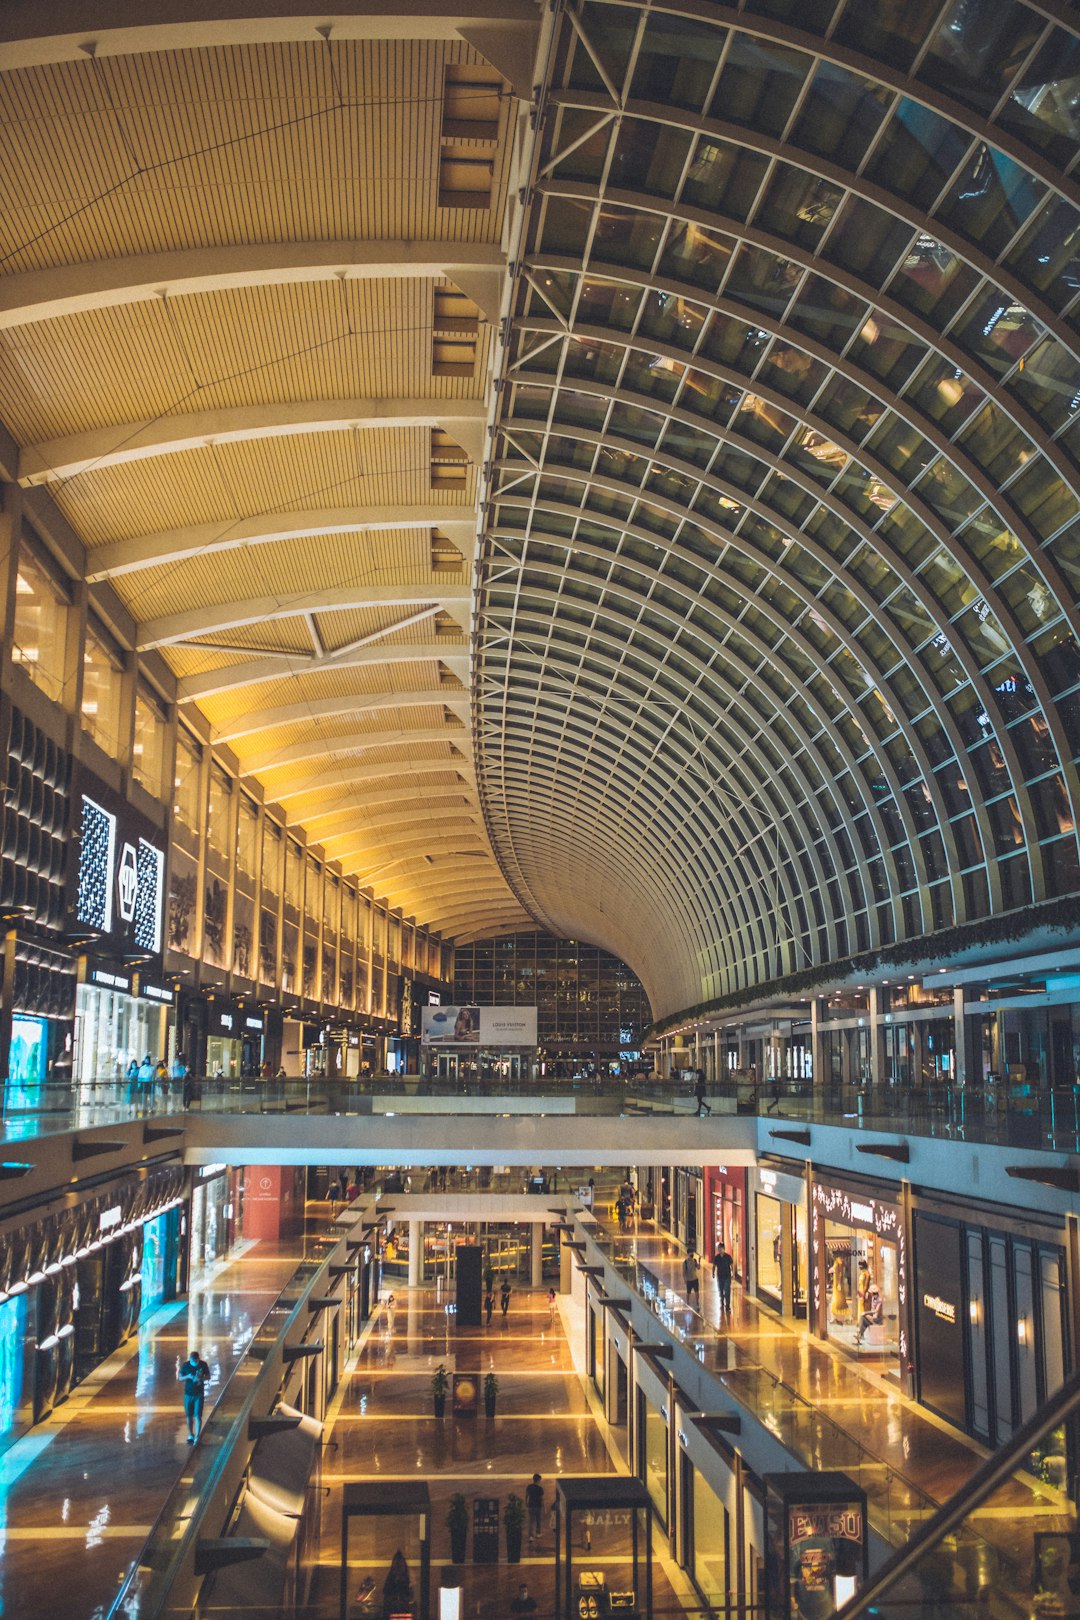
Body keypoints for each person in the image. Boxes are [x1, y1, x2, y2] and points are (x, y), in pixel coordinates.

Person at [179, 1349, 210, 1442]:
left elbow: (208, 1376)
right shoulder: (186, 1365)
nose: (194, 1362)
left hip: (199, 1394)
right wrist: (188, 1376)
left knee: (198, 1416)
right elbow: (180, 1378)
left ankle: (197, 1436)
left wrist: (201, 1377)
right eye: (192, 1361)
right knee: (189, 1416)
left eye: (195, 1361)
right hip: (188, 1394)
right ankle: (190, 1434)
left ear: (198, 1359)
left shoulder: (203, 1365)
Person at [856, 1276, 883, 1345]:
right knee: (863, 1319)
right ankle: (860, 1333)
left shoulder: (879, 1300)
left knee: (863, 1316)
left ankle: (859, 1334)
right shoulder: (873, 1299)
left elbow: (876, 1311)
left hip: (877, 1319)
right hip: (873, 1316)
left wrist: (866, 1313)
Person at [713, 1243, 733, 1315]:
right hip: (720, 1276)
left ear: (724, 1249)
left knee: (727, 1291)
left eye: (721, 1249)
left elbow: (731, 1265)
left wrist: (732, 1273)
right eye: (719, 1249)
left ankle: (727, 1305)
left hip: (727, 1276)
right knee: (721, 1290)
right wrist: (713, 1273)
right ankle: (722, 1301)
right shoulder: (717, 1257)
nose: (720, 1250)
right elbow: (714, 1265)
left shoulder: (728, 1257)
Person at [525, 1474, 545, 1542]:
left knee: (531, 1521)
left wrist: (526, 1503)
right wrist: (544, 1507)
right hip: (538, 1506)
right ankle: (538, 1533)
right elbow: (542, 1499)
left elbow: (526, 1495)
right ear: (538, 1480)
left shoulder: (529, 1487)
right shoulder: (540, 1489)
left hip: (531, 1505)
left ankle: (531, 1536)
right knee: (538, 1520)